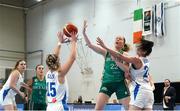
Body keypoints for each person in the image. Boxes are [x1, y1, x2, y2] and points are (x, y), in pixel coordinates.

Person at [83, 20, 130, 110]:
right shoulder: (106, 52)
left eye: (120, 39)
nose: (117, 39)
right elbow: (90, 45)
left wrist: (117, 61)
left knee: (129, 108)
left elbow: (126, 70)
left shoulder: (125, 55)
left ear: (123, 44)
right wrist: (84, 33)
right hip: (107, 84)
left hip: (120, 83)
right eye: (116, 38)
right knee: (97, 109)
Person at [97, 38, 155, 110]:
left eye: (139, 48)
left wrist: (105, 47)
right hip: (149, 92)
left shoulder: (136, 60)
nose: (137, 49)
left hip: (140, 90)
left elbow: (120, 56)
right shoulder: (147, 61)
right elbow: (147, 75)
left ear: (144, 51)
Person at [46, 30, 77, 111]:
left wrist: (60, 42)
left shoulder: (48, 73)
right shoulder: (60, 73)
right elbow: (72, 57)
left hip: (49, 106)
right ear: (58, 61)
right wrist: (73, 41)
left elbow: (54, 58)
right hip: (59, 106)